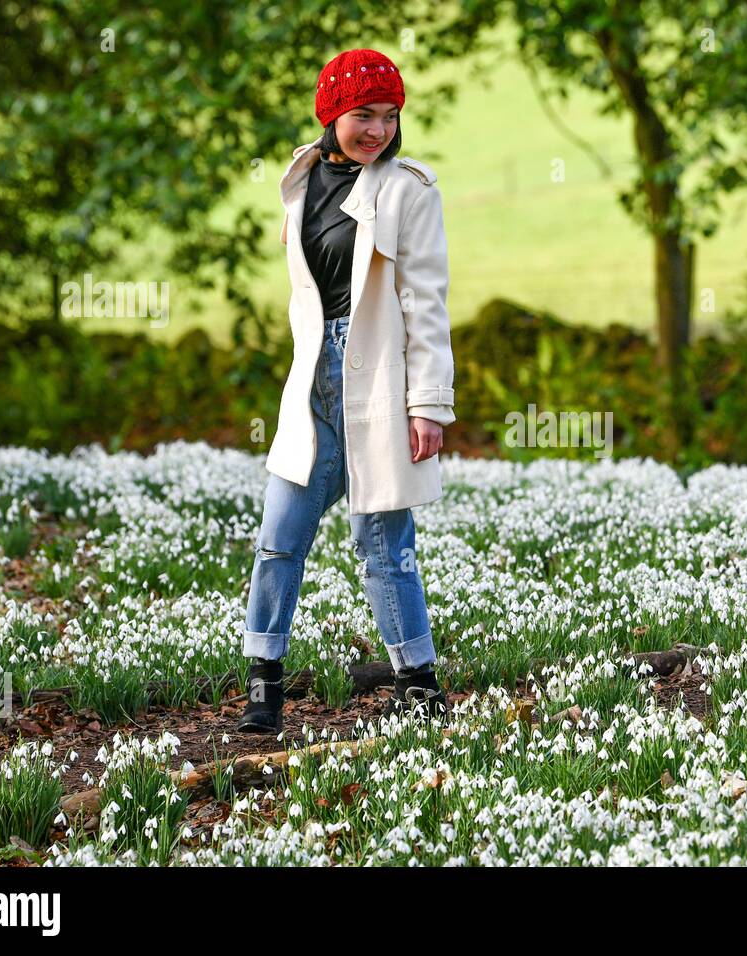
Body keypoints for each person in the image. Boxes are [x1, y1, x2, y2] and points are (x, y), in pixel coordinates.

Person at [238, 48, 455, 733]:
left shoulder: (409, 189)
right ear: (331, 113)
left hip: (382, 383)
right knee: (279, 537)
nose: (379, 131)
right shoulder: (300, 181)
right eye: (364, 115)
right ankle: (263, 688)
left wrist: (428, 404)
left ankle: (419, 687)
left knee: (384, 545)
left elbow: (426, 303)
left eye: (390, 117)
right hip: (311, 386)